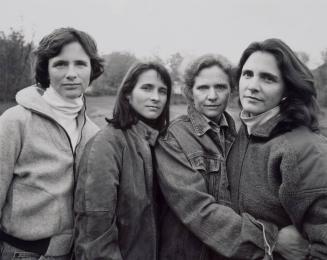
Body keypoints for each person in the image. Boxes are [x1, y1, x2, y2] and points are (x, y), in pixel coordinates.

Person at [155, 54, 309, 260]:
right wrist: (271, 240)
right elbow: (197, 210)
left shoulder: (238, 134)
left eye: (220, 87)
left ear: (231, 90)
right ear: (189, 92)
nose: (212, 96)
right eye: (202, 88)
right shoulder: (173, 138)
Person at [0, 27, 103, 259]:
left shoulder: (93, 133)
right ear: (46, 69)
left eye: (80, 64)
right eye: (60, 64)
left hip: (71, 253)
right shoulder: (16, 121)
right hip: (20, 253)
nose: (71, 73)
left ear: (92, 70)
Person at [227, 38, 327, 259]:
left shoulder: (304, 149)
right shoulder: (243, 133)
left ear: (287, 89)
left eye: (268, 78)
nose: (252, 86)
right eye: (247, 74)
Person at [74, 61, 172, 259]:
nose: (156, 97)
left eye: (162, 91)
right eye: (146, 88)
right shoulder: (106, 144)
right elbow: (95, 235)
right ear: (128, 93)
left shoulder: (161, 144)